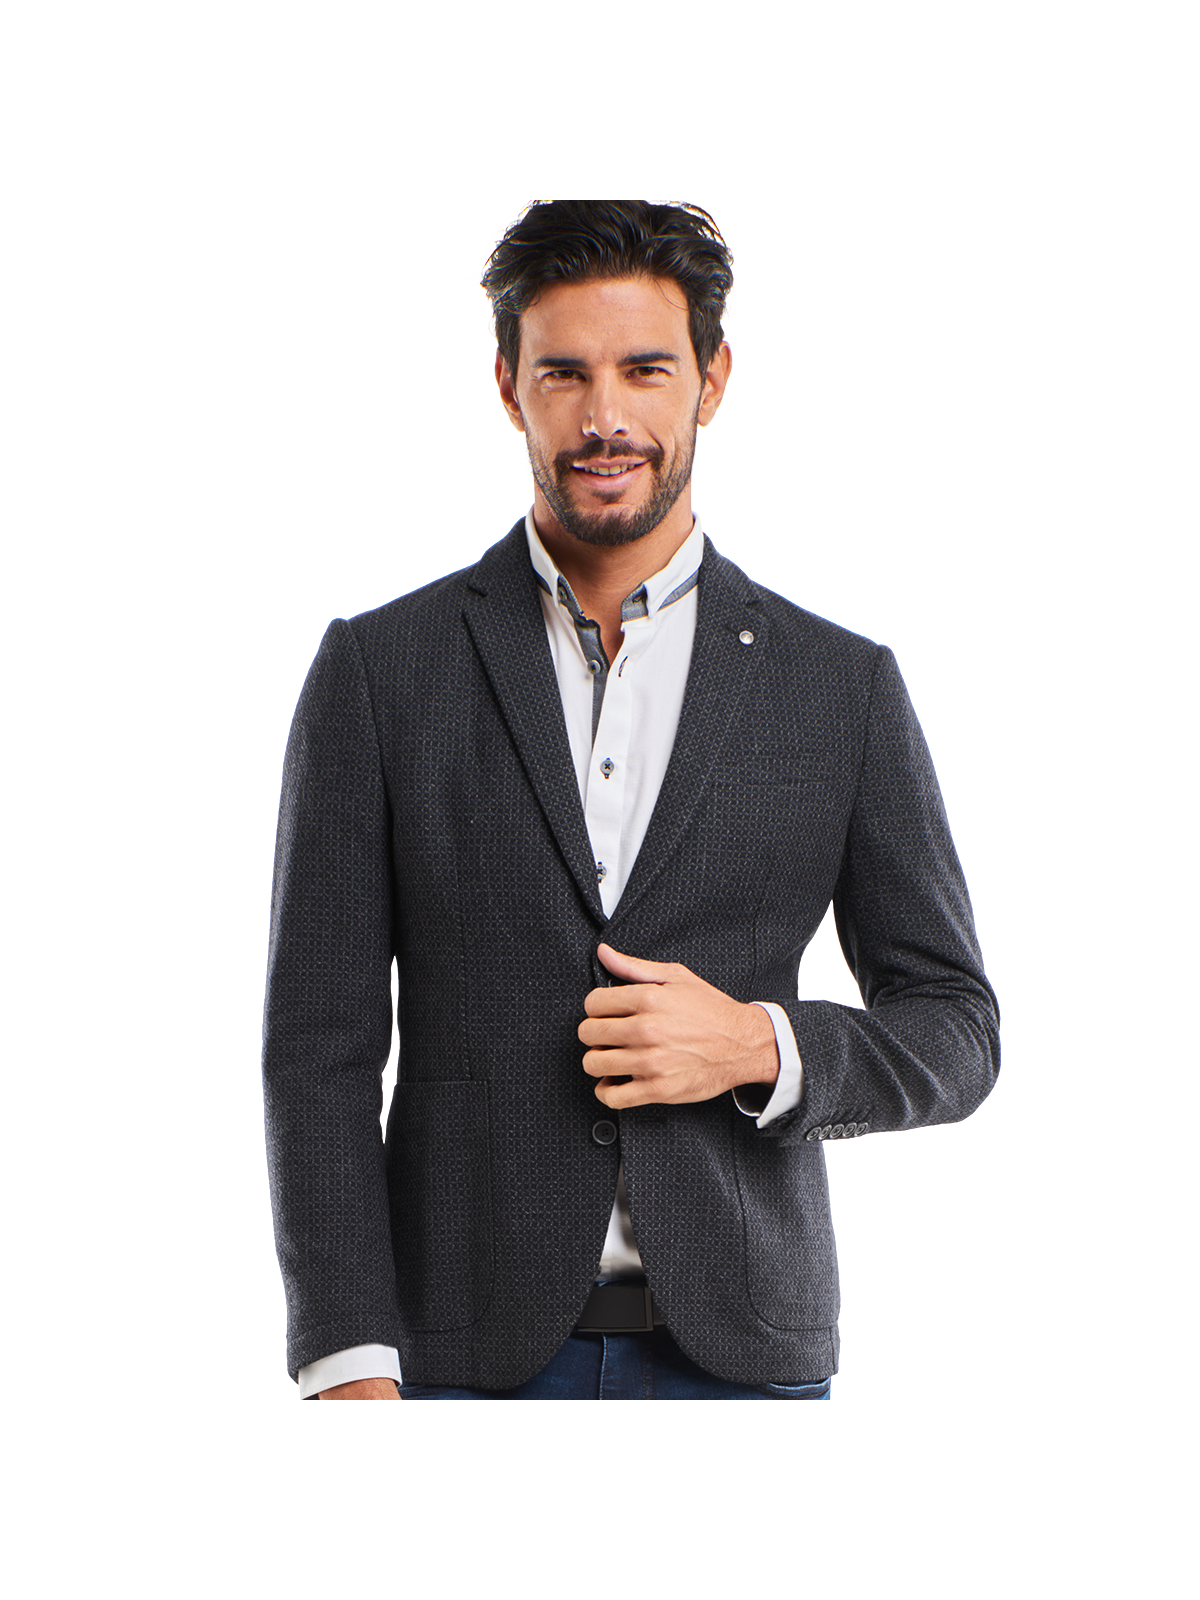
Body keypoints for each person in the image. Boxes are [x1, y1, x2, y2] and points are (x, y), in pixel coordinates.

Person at [263, 200, 999, 1400]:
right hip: (454, 1365)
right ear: (509, 388)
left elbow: (958, 1027)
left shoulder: (840, 687)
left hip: (742, 1365)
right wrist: (347, 1359)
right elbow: (318, 1049)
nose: (604, 416)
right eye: (564, 373)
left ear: (712, 380)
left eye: (645, 369)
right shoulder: (381, 671)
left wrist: (759, 1044)